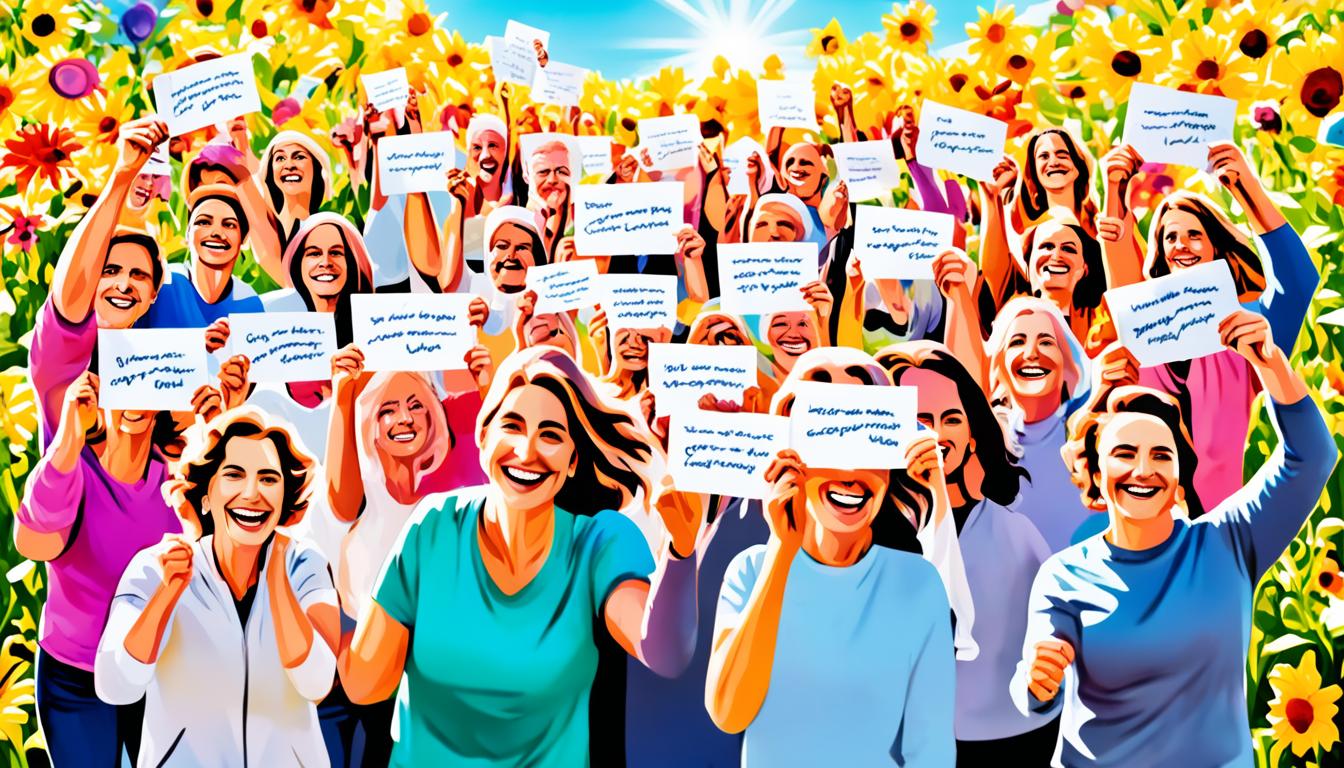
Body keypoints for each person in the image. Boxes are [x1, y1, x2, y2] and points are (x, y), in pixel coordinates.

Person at [336, 346, 702, 766]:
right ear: (484, 436)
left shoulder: (601, 542)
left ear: (572, 460)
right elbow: (366, 685)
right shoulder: (433, 527)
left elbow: (666, 653)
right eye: (512, 425)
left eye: (550, 434)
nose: (527, 451)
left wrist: (681, 550)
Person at [1013, 310, 1337, 766]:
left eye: (1160, 455)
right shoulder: (1063, 574)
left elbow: (1313, 458)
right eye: (1124, 453)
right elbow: (1034, 688)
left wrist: (1269, 363)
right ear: (1095, 472)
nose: (1143, 470)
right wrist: (1036, 680)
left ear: (1180, 473)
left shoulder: (1230, 541)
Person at [705, 347, 957, 765]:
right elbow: (728, 713)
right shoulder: (749, 572)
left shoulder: (919, 584)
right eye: (828, 438)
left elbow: (930, 749)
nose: (848, 473)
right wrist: (781, 553)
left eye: (867, 437)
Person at [95, 407, 339, 767]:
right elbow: (115, 684)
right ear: (206, 495)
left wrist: (276, 573)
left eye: (269, 479)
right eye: (234, 475)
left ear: (285, 499)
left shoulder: (305, 565)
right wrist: (166, 596)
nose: (252, 492)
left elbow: (316, 682)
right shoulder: (154, 566)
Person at [1108, 143, 1318, 510]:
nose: (1181, 246)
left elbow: (1297, 283)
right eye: (1170, 237)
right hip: (1145, 523)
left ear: (1216, 247)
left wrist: (1246, 188)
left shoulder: (1244, 327)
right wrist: (1114, 188)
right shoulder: (1145, 328)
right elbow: (1118, 256)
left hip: (1226, 526)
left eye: (1194, 235)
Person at [878, 342, 1056, 761]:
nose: (936, 433)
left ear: (973, 433)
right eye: (920, 418)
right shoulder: (863, 532)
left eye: (951, 418)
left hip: (1010, 742)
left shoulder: (1016, 533)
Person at [17, 370, 182, 767]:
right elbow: (31, 542)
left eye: (149, 383)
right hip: (76, 674)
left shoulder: (176, 476)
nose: (135, 402)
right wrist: (70, 437)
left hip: (157, 674)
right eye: (125, 382)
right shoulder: (74, 469)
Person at [31, 117, 168, 440]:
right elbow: (71, 294)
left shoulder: (156, 372)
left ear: (153, 295)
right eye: (109, 271)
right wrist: (122, 176)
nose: (123, 285)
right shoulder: (63, 356)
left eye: (139, 275)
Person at [138, 183, 266, 329]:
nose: (216, 232)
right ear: (188, 233)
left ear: (243, 237)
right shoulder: (163, 283)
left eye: (229, 224)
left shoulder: (249, 301)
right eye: (204, 222)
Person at [256, 130, 333, 252]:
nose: (289, 165)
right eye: (280, 158)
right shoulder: (262, 235)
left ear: (316, 166)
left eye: (299, 157)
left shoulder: (331, 230)